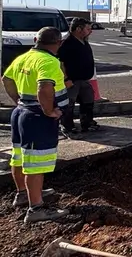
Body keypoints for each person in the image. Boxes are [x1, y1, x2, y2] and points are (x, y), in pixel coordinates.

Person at [3, 27, 69, 223]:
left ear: (36, 40)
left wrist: (18, 100)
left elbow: (6, 79)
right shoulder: (49, 61)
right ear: (59, 43)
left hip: (21, 113)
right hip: (37, 118)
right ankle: (36, 208)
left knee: (19, 157)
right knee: (36, 164)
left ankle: (23, 194)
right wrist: (49, 111)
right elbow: (44, 87)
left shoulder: (24, 57)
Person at [57, 17, 98, 136]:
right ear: (79, 29)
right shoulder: (67, 43)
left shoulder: (84, 41)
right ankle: (67, 126)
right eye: (88, 29)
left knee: (88, 101)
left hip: (84, 79)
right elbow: (60, 63)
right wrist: (66, 79)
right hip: (72, 80)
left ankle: (87, 123)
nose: (90, 31)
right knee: (68, 104)